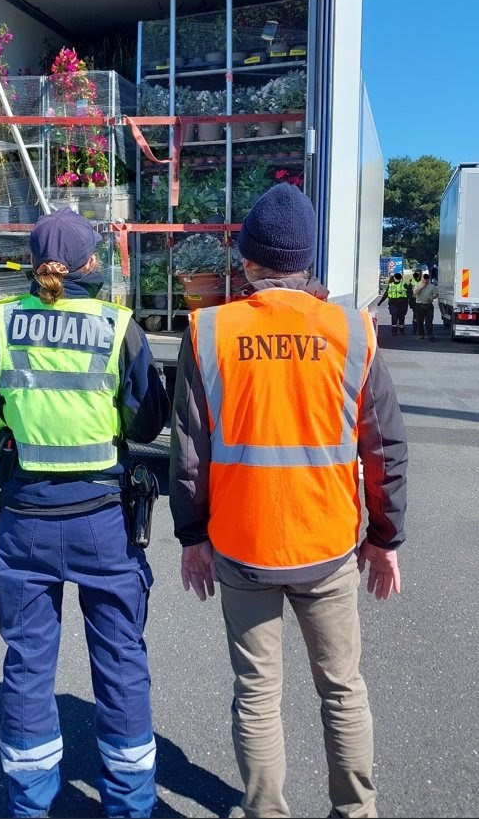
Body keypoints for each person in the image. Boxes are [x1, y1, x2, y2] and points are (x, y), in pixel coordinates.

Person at [168, 182, 408, 819]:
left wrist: (192, 538)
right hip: (326, 548)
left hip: (243, 546)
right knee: (342, 688)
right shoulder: (350, 333)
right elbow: (385, 448)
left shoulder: (211, 332)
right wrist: (383, 541)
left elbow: (189, 452)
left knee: (256, 694)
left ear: (247, 262)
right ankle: (355, 813)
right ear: (305, 265)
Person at [0, 207, 170, 819]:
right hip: (103, 519)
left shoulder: (0, 324)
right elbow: (148, 419)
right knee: (120, 659)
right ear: (92, 264)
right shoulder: (119, 327)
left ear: (33, 264)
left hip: (25, 515)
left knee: (28, 663)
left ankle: (30, 805)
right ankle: (130, 805)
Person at [376, 269, 409, 335]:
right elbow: (386, 294)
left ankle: (401, 329)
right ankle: (394, 331)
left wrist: (410, 302)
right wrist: (380, 302)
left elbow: (409, 293)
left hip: (402, 303)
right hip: (393, 303)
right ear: (394, 278)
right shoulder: (391, 285)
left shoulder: (404, 284)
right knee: (394, 316)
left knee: (401, 316)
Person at [413, 270, 440, 340]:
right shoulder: (418, 284)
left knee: (429, 321)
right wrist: (422, 286)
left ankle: (430, 334)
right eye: (424, 278)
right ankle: (421, 334)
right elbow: (415, 292)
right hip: (419, 305)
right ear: (422, 278)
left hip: (428, 305)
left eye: (427, 278)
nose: (426, 280)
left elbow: (436, 294)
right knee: (419, 321)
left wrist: (433, 297)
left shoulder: (432, 286)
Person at [407, 268, 422, 333]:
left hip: (422, 301)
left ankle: (420, 329)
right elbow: (409, 293)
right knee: (415, 316)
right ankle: (415, 329)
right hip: (415, 301)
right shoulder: (412, 282)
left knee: (421, 316)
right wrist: (410, 302)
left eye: (419, 274)